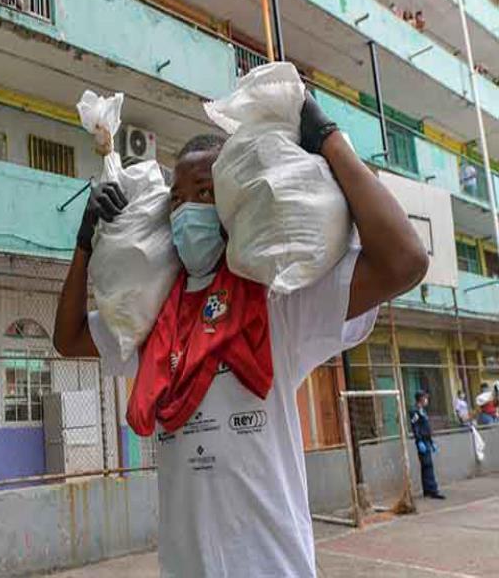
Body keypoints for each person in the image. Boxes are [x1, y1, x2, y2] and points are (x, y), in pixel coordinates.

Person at [54, 94, 428, 577]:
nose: (188, 210)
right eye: (177, 199)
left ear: (232, 204)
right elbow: (69, 337)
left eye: (205, 194)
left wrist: (330, 140)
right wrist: (85, 241)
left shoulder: (278, 301)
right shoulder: (153, 319)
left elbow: (406, 261)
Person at [410, 391, 445, 499]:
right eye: (425, 398)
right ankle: (433, 490)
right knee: (427, 465)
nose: (427, 400)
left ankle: (427, 490)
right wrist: (419, 440)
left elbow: (426, 427)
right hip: (422, 441)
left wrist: (431, 441)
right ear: (420, 399)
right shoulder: (415, 411)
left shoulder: (422, 411)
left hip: (426, 440)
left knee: (426, 466)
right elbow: (415, 427)